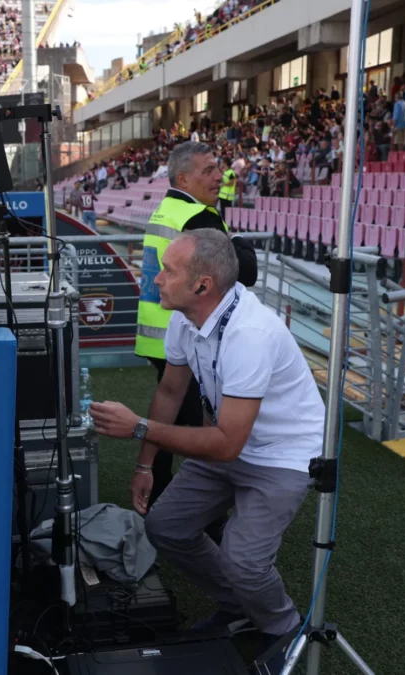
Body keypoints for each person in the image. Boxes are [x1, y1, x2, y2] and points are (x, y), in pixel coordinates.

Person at [89, 229, 324, 671]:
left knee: (244, 560)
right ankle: (239, 605)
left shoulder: (250, 334)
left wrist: (137, 427)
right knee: (165, 526)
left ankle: (283, 627)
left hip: (283, 455)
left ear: (202, 285)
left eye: (168, 271)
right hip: (227, 443)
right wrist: (145, 466)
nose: (156, 279)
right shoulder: (185, 319)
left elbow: (227, 444)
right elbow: (170, 391)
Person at [134, 141, 258, 511]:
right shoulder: (197, 216)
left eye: (218, 168)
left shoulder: (167, 208)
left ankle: (158, 497)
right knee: (194, 434)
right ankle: (182, 509)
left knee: (173, 419)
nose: (220, 177)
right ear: (183, 179)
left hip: (162, 334)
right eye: (209, 170)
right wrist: (237, 239)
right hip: (186, 334)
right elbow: (246, 271)